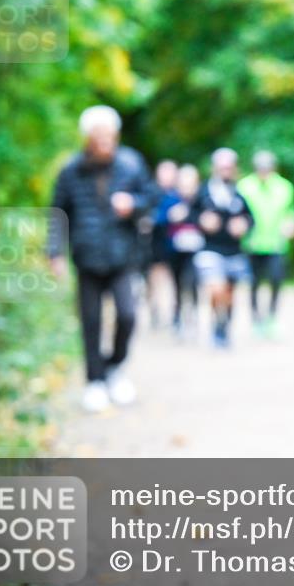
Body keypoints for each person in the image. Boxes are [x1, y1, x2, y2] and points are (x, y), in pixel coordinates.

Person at [48, 105, 153, 412]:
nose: (106, 141)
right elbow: (58, 214)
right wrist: (55, 253)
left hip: (123, 256)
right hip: (87, 258)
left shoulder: (132, 164)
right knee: (90, 322)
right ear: (88, 138)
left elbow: (152, 199)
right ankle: (94, 381)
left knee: (128, 315)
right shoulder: (70, 170)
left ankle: (114, 368)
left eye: (110, 135)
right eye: (99, 136)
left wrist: (133, 204)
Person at [192, 148, 253, 348]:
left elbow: (251, 219)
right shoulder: (204, 192)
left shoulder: (238, 193)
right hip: (210, 249)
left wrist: (244, 224)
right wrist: (202, 220)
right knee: (216, 288)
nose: (226, 171)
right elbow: (190, 215)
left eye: (229, 167)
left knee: (230, 294)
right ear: (215, 168)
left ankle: (223, 326)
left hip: (234, 252)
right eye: (222, 167)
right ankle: (215, 324)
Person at [236, 150, 294, 338]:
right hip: (252, 244)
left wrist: (291, 222)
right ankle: (256, 319)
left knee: (276, 280)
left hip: (277, 244)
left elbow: (290, 211)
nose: (264, 172)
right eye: (261, 168)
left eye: (267, 168)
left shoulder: (285, 187)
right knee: (253, 283)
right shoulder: (244, 186)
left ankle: (272, 318)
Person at [157, 163, 203, 337]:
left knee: (193, 282)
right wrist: (171, 216)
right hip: (174, 250)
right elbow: (159, 220)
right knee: (177, 285)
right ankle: (177, 318)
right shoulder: (170, 200)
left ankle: (194, 316)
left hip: (195, 250)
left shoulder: (200, 200)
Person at [146, 159, 178, 327]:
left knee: (174, 280)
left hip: (176, 246)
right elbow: (149, 219)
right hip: (155, 244)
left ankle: (173, 314)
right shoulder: (151, 193)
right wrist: (168, 217)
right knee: (154, 279)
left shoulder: (178, 194)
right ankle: (154, 311)